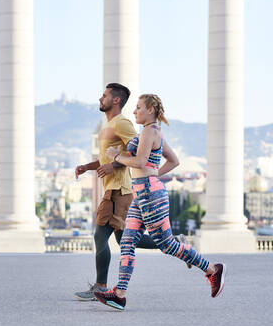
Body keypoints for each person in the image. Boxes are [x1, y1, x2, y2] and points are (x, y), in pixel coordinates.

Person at [94, 94, 226, 311]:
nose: (134, 111)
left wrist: (117, 157)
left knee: (167, 245)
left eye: (138, 108)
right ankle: (119, 294)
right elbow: (174, 161)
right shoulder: (154, 132)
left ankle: (213, 270)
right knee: (127, 242)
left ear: (151, 110)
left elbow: (138, 161)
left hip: (149, 195)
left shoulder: (149, 131)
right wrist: (154, 173)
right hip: (143, 194)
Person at [74, 83, 158, 302]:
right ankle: (173, 242)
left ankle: (100, 288)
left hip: (119, 191)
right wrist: (87, 167)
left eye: (104, 95)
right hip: (115, 190)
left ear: (116, 100)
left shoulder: (122, 123)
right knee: (124, 240)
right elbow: (107, 159)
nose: (100, 99)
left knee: (99, 236)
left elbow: (139, 151)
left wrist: (115, 166)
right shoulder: (109, 125)